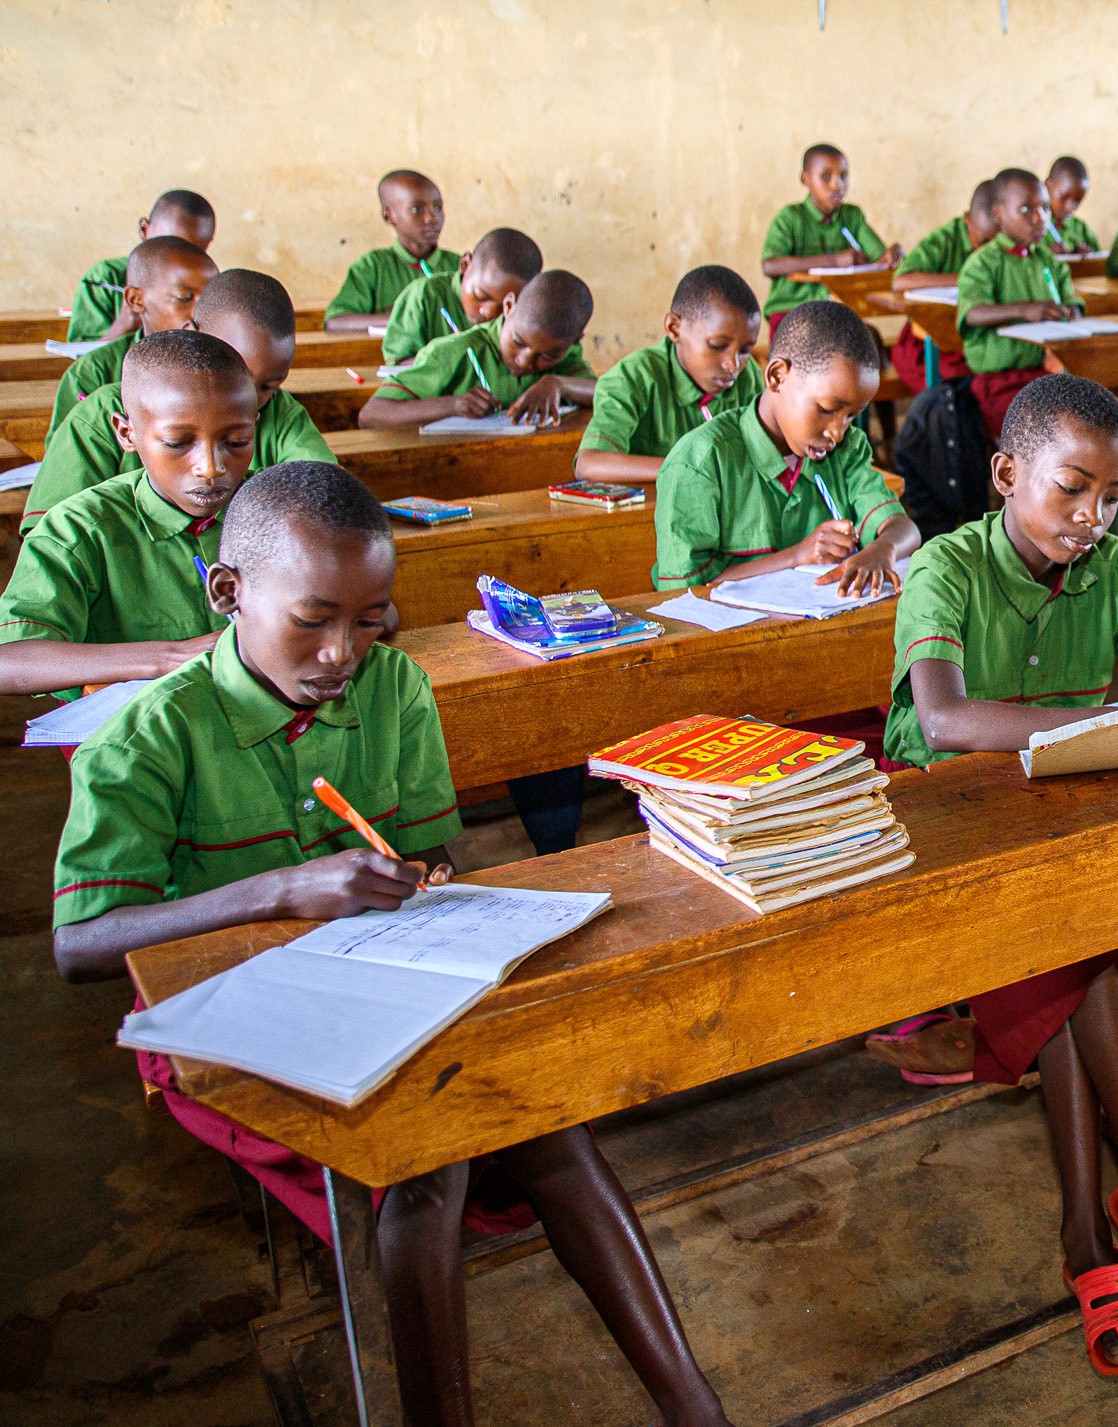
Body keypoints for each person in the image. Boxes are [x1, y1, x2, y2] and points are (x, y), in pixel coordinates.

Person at [49, 460, 731, 1427]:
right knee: (428, 1156)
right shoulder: (146, 736)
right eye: (314, 619)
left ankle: (695, 1408)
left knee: (551, 1118)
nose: (342, 653)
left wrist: (427, 876)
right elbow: (79, 944)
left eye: (371, 621)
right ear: (228, 591)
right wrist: (283, 892)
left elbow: (432, 852)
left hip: (386, 978)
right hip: (224, 1019)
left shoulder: (395, 686)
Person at [886, 374, 1118, 1377]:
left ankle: (1091, 1229)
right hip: (943, 815)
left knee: (1065, 945)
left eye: (1112, 495)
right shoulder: (947, 566)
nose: (1093, 515)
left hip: (1056, 806)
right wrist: (1109, 722)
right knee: (1077, 952)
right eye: (1071, 488)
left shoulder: (1114, 564)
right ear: (1007, 473)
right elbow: (943, 719)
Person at [0, 331, 257, 699]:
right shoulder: (78, 530)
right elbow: (9, 662)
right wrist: (170, 656)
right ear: (127, 433)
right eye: (177, 443)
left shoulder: (277, 513)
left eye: (236, 441)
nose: (211, 467)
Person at [652, 299, 916, 592]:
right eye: (827, 409)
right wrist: (796, 556)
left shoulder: (846, 451)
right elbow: (685, 591)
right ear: (777, 376)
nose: (838, 432)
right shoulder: (700, 462)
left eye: (852, 415)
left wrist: (882, 549)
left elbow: (903, 527)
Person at [31, 268, 333, 521]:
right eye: (177, 442)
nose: (250, 398)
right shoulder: (101, 412)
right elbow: (52, 537)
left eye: (238, 441)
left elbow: (324, 498)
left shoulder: (281, 413)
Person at [575, 264, 766, 486]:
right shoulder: (634, 378)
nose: (733, 365)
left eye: (745, 350)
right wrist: (691, 469)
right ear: (674, 328)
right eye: (717, 345)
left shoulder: (747, 377)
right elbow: (590, 464)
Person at [359, 269, 595, 430]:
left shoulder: (566, 357)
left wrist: (558, 383)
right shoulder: (454, 352)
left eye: (546, 356)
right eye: (518, 342)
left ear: (575, 341)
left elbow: (603, 393)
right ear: (508, 307)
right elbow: (372, 414)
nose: (524, 361)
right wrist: (453, 405)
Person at [959, 168, 1085, 440]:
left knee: (1084, 421)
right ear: (998, 214)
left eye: (1045, 208)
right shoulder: (983, 262)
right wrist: (1024, 310)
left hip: (1050, 374)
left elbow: (1072, 301)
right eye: (1026, 210)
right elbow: (972, 313)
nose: (1040, 218)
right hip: (1002, 380)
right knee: (1040, 433)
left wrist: (1070, 310)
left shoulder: (1048, 260)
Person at [47, 234, 215, 432]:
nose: (201, 311)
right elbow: (70, 448)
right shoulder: (93, 373)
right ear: (135, 299)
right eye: (183, 298)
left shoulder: (228, 364)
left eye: (210, 298)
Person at [760, 143, 900, 317]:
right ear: (805, 179)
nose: (837, 185)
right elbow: (770, 266)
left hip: (837, 309)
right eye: (826, 176)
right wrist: (835, 260)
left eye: (843, 176)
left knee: (869, 333)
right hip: (793, 310)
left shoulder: (852, 216)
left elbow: (880, 259)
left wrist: (893, 255)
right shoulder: (790, 217)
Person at [888, 180, 999, 394]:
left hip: (978, 337)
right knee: (963, 386)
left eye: (994, 245)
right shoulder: (945, 240)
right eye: (982, 242)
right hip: (929, 339)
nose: (986, 253)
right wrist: (966, 279)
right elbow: (901, 281)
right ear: (967, 219)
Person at [376, 226, 543, 365]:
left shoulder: (530, 311)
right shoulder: (424, 296)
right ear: (465, 265)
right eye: (480, 296)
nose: (489, 313)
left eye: (505, 307)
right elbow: (398, 365)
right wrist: (455, 362)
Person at [68, 189, 215, 343]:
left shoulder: (210, 282)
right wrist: (124, 324)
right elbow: (81, 353)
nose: (180, 257)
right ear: (145, 230)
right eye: (166, 243)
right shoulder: (106, 276)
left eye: (196, 251)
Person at [325, 170, 455, 323]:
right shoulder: (372, 267)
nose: (431, 218)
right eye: (417, 209)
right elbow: (335, 321)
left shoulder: (459, 266)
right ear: (389, 216)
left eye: (437, 207)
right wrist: (404, 322)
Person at [1043, 155, 1102, 254]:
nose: (1069, 207)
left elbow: (1100, 260)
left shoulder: (1080, 229)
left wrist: (1085, 257)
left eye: (1077, 201)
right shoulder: (1034, 226)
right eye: (1064, 197)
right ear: (1048, 185)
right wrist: (1047, 254)